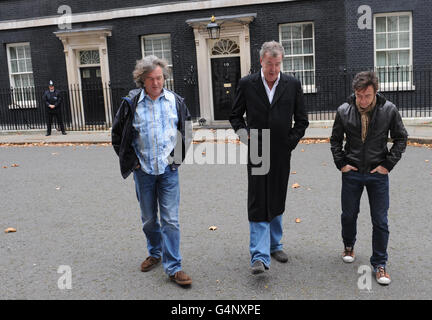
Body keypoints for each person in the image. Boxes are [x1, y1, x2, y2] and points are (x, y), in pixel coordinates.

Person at [112, 56, 192, 287]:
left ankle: (174, 267)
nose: (156, 83)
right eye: (151, 79)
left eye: (159, 78)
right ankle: (155, 253)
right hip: (144, 171)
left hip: (168, 171)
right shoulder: (131, 103)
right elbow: (117, 136)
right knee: (149, 220)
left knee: (170, 220)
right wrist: (133, 162)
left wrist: (176, 160)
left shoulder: (175, 101)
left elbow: (185, 131)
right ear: (142, 81)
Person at [230, 41, 309, 275]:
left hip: (281, 151)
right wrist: (247, 138)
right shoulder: (247, 84)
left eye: (276, 64)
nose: (273, 69)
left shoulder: (292, 84)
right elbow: (235, 116)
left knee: (276, 195)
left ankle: (275, 245)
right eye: (268, 64)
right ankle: (259, 255)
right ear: (261, 62)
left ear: (281, 62)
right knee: (258, 199)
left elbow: (302, 120)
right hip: (257, 149)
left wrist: (289, 143)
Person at [330, 71, 408, 285]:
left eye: (367, 96)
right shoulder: (344, 111)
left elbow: (401, 138)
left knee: (380, 221)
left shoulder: (389, 110)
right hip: (352, 173)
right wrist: (341, 164)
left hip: (377, 174)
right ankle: (348, 245)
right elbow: (335, 140)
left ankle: (380, 264)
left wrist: (387, 165)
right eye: (359, 95)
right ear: (354, 92)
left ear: (375, 92)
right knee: (348, 214)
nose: (362, 101)